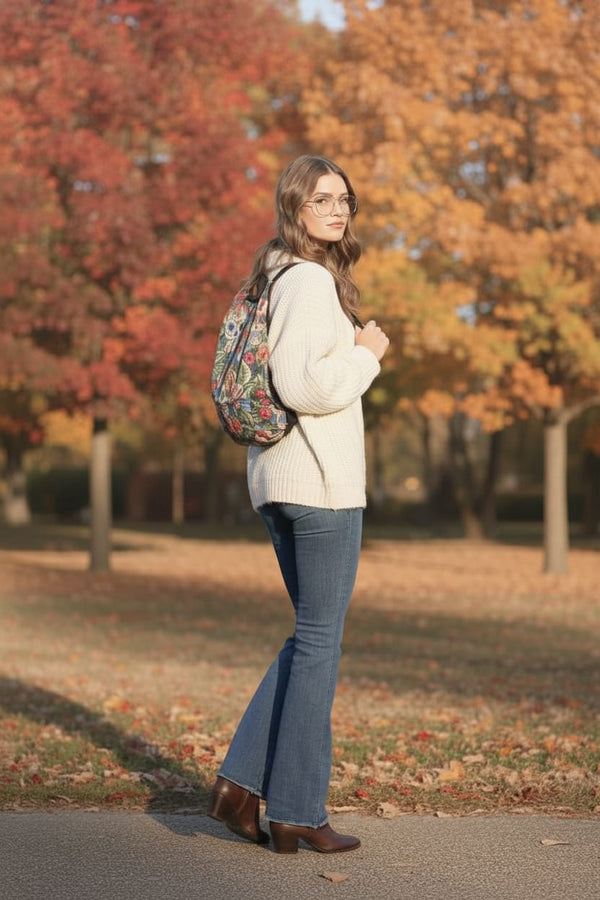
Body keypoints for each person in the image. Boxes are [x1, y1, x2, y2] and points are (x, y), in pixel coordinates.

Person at [208, 154, 390, 854]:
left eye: (344, 198)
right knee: (320, 643)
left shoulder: (276, 277)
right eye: (322, 199)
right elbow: (304, 386)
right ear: (295, 208)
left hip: (280, 483)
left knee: (308, 637)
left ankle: (240, 787)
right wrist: (367, 353)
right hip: (318, 484)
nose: (338, 210)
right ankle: (296, 811)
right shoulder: (309, 279)